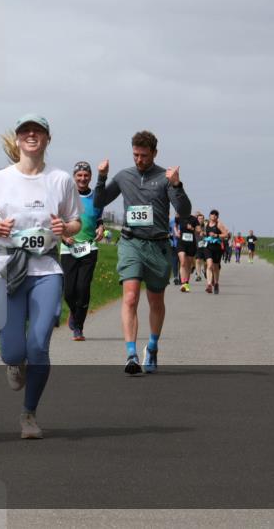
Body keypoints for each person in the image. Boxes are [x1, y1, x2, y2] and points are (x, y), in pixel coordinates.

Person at [0, 114, 81, 438]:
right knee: (12, 350)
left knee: (38, 346)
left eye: (38, 131)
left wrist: (65, 228)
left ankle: (29, 415)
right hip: (8, 266)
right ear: (19, 138)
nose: (31, 135)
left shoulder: (61, 179)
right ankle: (13, 362)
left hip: (46, 269)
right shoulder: (0, 179)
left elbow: (75, 223)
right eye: (25, 130)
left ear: (47, 139)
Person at [94, 130, 192, 375]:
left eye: (144, 156)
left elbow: (184, 210)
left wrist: (177, 184)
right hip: (131, 243)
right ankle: (131, 354)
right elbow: (99, 201)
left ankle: (153, 346)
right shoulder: (124, 176)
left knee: (155, 300)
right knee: (130, 297)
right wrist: (101, 178)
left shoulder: (165, 178)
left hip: (158, 245)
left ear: (154, 153)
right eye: (136, 155)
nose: (139, 160)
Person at [59, 161, 105, 341]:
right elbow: (57, 220)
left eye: (86, 175)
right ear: (74, 177)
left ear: (90, 177)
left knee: (83, 288)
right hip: (68, 247)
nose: (83, 178)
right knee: (69, 291)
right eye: (79, 175)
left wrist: (101, 227)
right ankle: (73, 311)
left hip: (89, 247)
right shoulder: (66, 196)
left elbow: (99, 218)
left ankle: (78, 327)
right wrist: (63, 236)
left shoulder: (97, 197)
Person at [203, 210, 231, 294]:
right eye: (212, 214)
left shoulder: (219, 224)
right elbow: (205, 231)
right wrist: (202, 233)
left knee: (215, 267)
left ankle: (216, 283)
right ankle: (209, 285)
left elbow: (226, 234)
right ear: (209, 216)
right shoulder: (206, 224)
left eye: (215, 215)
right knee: (209, 265)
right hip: (208, 247)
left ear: (217, 217)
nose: (214, 216)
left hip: (217, 248)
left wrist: (216, 235)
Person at [175, 213, 199, 292]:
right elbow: (175, 225)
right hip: (181, 243)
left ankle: (186, 283)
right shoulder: (179, 217)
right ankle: (183, 283)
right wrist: (176, 232)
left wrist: (192, 228)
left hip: (191, 244)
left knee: (188, 265)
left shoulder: (194, 219)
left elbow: (199, 230)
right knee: (182, 262)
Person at [194, 212, 208, 282]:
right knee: (198, 260)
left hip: (206, 246)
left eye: (202, 218)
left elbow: (209, 233)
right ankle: (198, 275)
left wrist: (204, 233)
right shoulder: (195, 226)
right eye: (199, 218)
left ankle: (205, 271)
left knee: (206, 262)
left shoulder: (206, 226)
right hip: (198, 245)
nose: (201, 220)